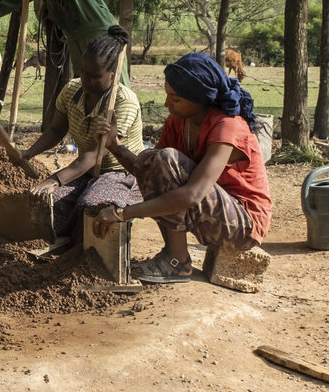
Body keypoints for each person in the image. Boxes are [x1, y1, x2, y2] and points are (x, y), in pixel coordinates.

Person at [90, 52, 272, 284]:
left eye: (175, 99)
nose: (167, 104)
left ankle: (177, 262)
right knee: (152, 158)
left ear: (199, 98)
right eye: (168, 96)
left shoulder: (227, 127)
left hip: (242, 225)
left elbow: (192, 195)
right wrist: (115, 145)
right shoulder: (178, 122)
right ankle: (173, 256)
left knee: (166, 159)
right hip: (212, 212)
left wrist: (122, 214)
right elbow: (147, 171)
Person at [20, 26, 144, 238]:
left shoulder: (123, 102)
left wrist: (55, 180)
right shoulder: (71, 90)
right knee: (48, 204)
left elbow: (94, 154)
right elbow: (56, 130)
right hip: (85, 172)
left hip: (120, 173)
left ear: (112, 74)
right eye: (82, 71)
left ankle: (90, 256)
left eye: (94, 76)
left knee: (92, 207)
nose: (85, 79)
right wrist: (28, 153)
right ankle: (64, 246)